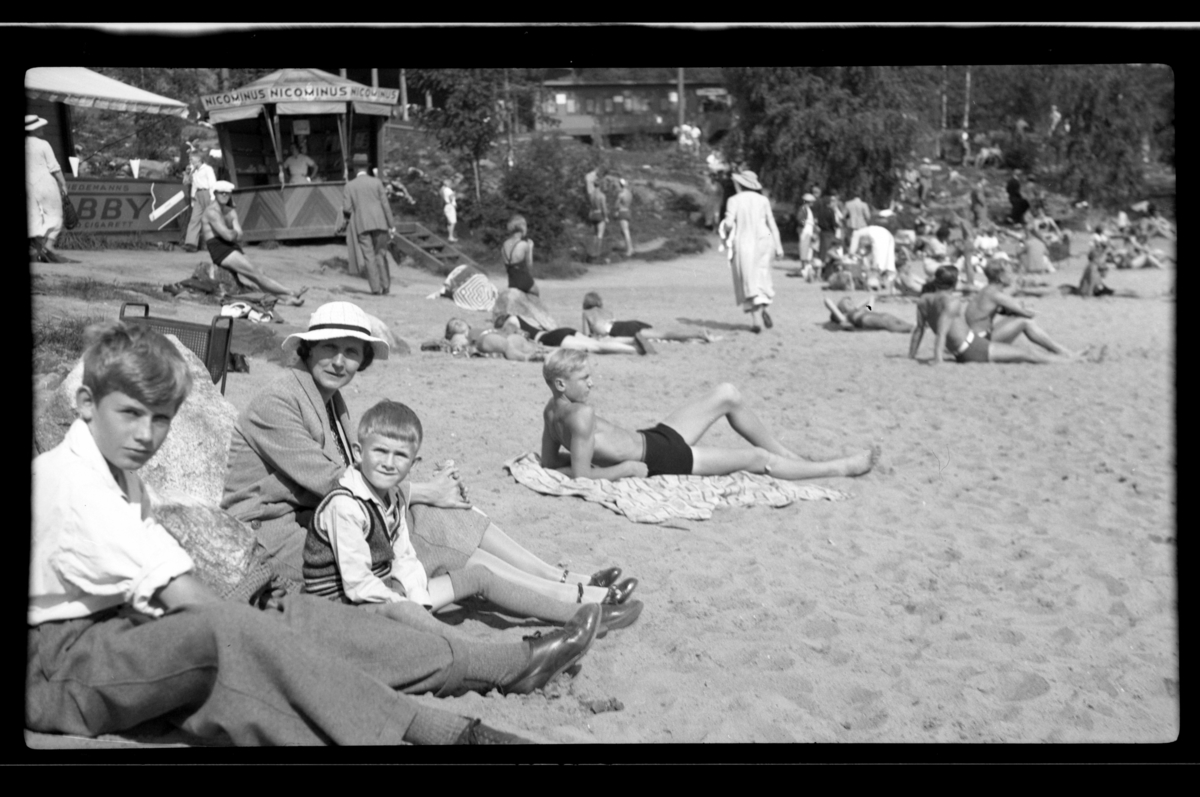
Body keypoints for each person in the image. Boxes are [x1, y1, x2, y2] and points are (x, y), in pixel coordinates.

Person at [28, 321, 603, 747]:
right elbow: (190, 597)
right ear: (85, 403)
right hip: (63, 664)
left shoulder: (116, 470)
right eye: (131, 413)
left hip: (123, 634)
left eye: (161, 419)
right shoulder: (73, 485)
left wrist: (273, 616)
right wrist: (265, 625)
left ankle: (500, 664)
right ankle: (438, 732)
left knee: (284, 618)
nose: (146, 434)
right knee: (239, 633)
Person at [222, 302, 631, 599]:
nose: (339, 361)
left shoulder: (329, 399)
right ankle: (565, 598)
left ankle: (559, 579)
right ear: (307, 350)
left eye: (352, 352)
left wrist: (426, 495)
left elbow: (352, 478)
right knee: (422, 533)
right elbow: (334, 480)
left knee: (446, 514)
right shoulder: (278, 401)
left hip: (322, 515)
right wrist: (423, 492)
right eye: (329, 348)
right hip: (273, 535)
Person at [304, 399, 642, 636]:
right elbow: (358, 585)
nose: (389, 463)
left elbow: (402, 553)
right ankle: (581, 603)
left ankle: (579, 603)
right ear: (359, 453)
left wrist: (418, 591)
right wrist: (411, 605)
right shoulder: (347, 506)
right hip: (357, 609)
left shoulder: (389, 494)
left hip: (393, 592)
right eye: (380, 452)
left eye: (400, 457)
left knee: (480, 575)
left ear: (413, 463)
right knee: (463, 574)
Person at [540, 350, 877, 482]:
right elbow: (581, 479)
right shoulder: (581, 415)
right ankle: (840, 467)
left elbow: (550, 464)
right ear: (560, 383)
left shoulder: (551, 410)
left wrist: (589, 458)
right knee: (758, 459)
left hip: (653, 436)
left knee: (728, 393)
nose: (592, 383)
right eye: (584, 379)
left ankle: (791, 456)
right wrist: (625, 469)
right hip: (663, 457)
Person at [950, 260, 1080, 363]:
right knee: (1025, 321)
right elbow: (1027, 313)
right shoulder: (996, 295)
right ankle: (1062, 351)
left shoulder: (986, 291)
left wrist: (1015, 307)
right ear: (1001, 277)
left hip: (976, 336)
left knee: (1018, 320)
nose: (1012, 276)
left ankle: (1061, 351)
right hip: (982, 340)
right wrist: (1027, 308)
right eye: (1009, 273)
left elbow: (1001, 310)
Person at [201, 181, 307, 306]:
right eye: (221, 193)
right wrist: (233, 233)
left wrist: (232, 233)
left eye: (227, 193)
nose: (225, 195)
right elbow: (229, 236)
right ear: (215, 193)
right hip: (220, 249)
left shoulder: (229, 211)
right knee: (256, 274)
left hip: (232, 247)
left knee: (258, 274)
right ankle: (290, 292)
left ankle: (286, 300)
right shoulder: (212, 212)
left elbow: (239, 236)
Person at [719, 170, 783, 333]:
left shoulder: (733, 200)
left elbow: (728, 222)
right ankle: (765, 308)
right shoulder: (763, 200)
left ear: (739, 184)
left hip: (745, 241)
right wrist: (779, 245)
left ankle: (756, 321)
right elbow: (771, 224)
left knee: (747, 279)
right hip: (765, 240)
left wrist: (725, 233)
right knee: (762, 276)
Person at [580, 291, 718, 350]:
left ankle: (698, 334)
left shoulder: (586, 313)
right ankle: (698, 336)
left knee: (662, 336)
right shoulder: (606, 311)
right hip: (628, 324)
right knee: (663, 335)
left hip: (618, 329)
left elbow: (586, 336)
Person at [342, 155, 396, 296]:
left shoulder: (349, 186)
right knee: (381, 254)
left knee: (369, 257)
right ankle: (386, 286)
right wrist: (391, 224)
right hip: (380, 222)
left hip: (362, 224)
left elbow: (347, 208)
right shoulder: (377, 182)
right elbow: (385, 204)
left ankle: (375, 288)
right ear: (367, 167)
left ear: (354, 168)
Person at [26, 115, 72, 264]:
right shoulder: (43, 144)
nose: (42, 128)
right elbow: (54, 167)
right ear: (35, 129)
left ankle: (38, 250)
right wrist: (63, 184)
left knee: (34, 216)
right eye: (40, 127)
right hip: (45, 183)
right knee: (55, 215)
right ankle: (49, 246)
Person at [496, 314, 642, 355]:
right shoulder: (523, 317)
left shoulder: (511, 321)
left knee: (595, 347)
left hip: (550, 339)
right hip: (560, 331)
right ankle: (631, 340)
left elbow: (517, 337)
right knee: (597, 342)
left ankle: (635, 350)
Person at [444, 318, 543, 361]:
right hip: (485, 340)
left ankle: (544, 353)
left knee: (529, 346)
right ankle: (526, 358)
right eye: (453, 325)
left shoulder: (479, 328)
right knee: (504, 343)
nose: (457, 323)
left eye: (459, 320)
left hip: (505, 336)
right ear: (451, 333)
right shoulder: (459, 336)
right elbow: (456, 346)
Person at [182, 151, 217, 253]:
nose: (190, 160)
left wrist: (213, 196)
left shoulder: (207, 169)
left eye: (191, 158)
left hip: (207, 193)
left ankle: (214, 243)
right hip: (198, 195)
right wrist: (193, 197)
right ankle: (191, 244)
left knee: (210, 219)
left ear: (198, 158)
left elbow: (212, 183)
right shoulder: (193, 171)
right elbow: (188, 183)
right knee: (194, 219)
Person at [824, 295, 913, 332]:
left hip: (872, 314)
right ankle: (912, 329)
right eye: (847, 303)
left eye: (851, 302)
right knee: (887, 323)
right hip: (863, 319)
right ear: (842, 309)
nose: (851, 303)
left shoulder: (862, 309)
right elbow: (827, 301)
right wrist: (838, 310)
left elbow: (871, 300)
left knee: (889, 317)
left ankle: (913, 326)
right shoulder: (844, 317)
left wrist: (856, 307)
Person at [849, 224, 897, 293]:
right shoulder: (866, 234)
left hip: (880, 235)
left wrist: (850, 253)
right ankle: (888, 283)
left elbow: (852, 250)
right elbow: (867, 250)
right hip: (887, 234)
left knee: (879, 264)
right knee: (888, 263)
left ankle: (876, 283)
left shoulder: (856, 233)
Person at [501, 215, 539, 296]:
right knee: (536, 293)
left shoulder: (504, 244)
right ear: (522, 227)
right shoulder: (524, 244)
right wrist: (530, 248)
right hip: (524, 281)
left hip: (511, 282)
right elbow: (529, 267)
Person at [791, 193, 817, 279]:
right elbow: (800, 219)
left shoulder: (807, 209)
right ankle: (804, 268)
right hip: (805, 231)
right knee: (804, 249)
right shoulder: (803, 208)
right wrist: (803, 224)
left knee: (808, 250)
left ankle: (806, 267)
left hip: (808, 231)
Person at [588, 178, 609, 259]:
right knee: (600, 234)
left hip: (593, 214)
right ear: (600, 185)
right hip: (599, 214)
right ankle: (597, 253)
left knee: (595, 234)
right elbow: (604, 207)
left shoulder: (591, 195)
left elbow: (590, 206)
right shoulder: (601, 195)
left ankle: (592, 252)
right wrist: (606, 217)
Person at [615, 177, 634, 257]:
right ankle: (629, 247)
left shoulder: (621, 194)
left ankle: (629, 249)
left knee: (625, 232)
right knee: (625, 231)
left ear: (620, 185)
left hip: (622, 212)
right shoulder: (629, 193)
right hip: (628, 211)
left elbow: (616, 205)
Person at [440, 178, 458, 243]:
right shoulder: (447, 189)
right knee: (453, 222)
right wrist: (454, 194)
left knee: (450, 222)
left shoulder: (444, 189)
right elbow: (450, 197)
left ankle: (450, 236)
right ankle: (450, 237)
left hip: (447, 206)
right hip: (450, 206)